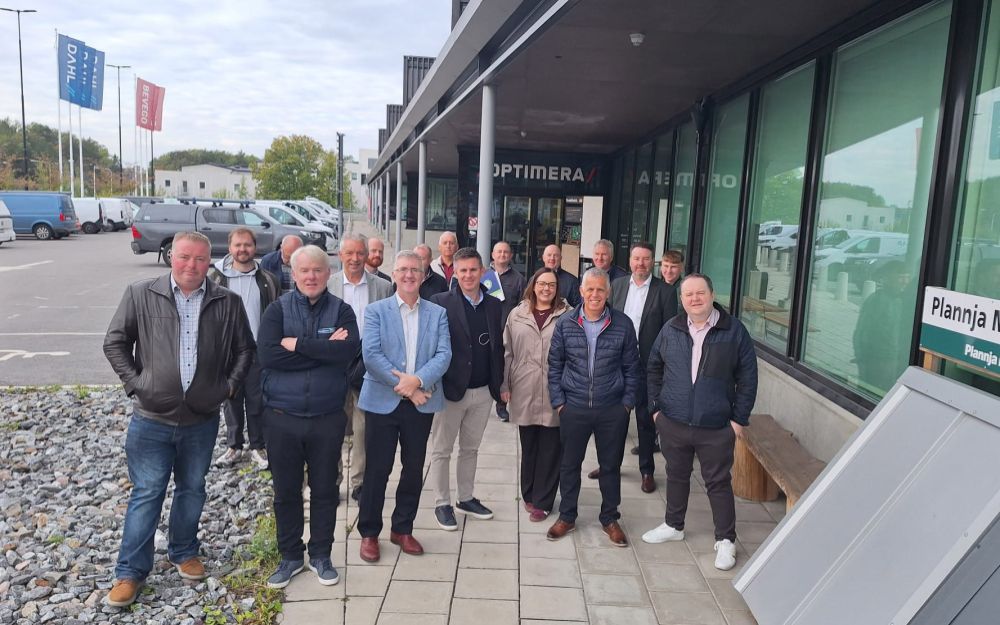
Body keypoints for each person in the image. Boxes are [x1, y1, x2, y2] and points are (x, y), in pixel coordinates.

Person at [103, 231, 255, 607]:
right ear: (172, 256)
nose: (192, 265)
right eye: (185, 257)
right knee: (147, 492)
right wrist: (137, 384)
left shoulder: (227, 301)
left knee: (192, 488)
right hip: (151, 418)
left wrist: (227, 389)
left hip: (201, 419)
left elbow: (244, 350)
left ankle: (184, 550)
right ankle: (129, 572)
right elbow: (115, 342)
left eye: (200, 259)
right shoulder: (141, 293)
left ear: (209, 261)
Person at [256, 245, 360, 588]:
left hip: (326, 417)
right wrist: (324, 349)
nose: (311, 276)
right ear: (294, 273)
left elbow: (347, 353)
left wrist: (297, 344)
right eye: (305, 271)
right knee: (286, 491)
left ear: (328, 273)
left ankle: (320, 554)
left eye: (318, 270)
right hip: (282, 416)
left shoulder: (342, 311)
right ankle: (290, 556)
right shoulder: (277, 310)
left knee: (325, 490)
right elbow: (269, 356)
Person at [641, 273, 757, 572]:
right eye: (688, 294)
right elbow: (653, 368)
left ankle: (726, 539)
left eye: (700, 293)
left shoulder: (733, 331)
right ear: (681, 299)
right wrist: (656, 409)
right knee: (676, 474)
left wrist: (738, 420)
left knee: (717, 482)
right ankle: (673, 525)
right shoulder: (671, 328)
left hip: (716, 425)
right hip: (674, 420)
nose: (695, 298)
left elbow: (748, 378)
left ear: (712, 294)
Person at [356, 251, 452, 563]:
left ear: (424, 276)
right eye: (403, 270)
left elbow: (443, 355)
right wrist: (410, 389)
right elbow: (372, 355)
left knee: (413, 469)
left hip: (420, 406)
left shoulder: (437, 314)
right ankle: (369, 532)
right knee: (377, 469)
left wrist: (419, 381)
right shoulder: (376, 311)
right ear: (394, 275)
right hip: (383, 403)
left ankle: (402, 528)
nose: (409, 275)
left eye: (415, 270)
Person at [545, 267, 643, 547]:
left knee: (610, 466)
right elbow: (555, 365)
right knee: (569, 465)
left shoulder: (623, 324)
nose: (595, 294)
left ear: (608, 292)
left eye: (601, 289)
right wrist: (559, 402)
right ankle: (567, 516)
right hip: (573, 407)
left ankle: (610, 518)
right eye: (590, 289)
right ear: (581, 291)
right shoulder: (566, 323)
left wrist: (626, 405)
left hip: (612, 409)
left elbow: (632, 368)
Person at [428, 248, 504, 530]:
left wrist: (500, 385)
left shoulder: (494, 305)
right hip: (451, 391)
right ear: (455, 273)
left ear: (483, 271)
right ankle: (442, 503)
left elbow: (497, 348)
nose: (469, 275)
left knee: (470, 448)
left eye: (473, 270)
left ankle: (466, 498)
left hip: (483, 392)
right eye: (463, 270)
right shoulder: (440, 302)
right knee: (442, 450)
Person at [591, 242, 677, 492]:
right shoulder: (617, 286)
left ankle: (646, 470)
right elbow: (605, 321)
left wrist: (664, 368)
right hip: (616, 365)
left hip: (647, 367)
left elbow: (669, 333)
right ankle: (609, 466)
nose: (641, 263)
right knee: (613, 420)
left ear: (653, 262)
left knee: (645, 421)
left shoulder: (665, 292)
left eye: (646, 259)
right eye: (636, 258)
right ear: (629, 261)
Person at [327, 234, 393, 502]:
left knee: (364, 429)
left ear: (366, 255)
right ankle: (332, 481)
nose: (355, 259)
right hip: (334, 367)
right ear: (340, 255)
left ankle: (359, 483)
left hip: (367, 367)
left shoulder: (383, 288)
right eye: (349, 253)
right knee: (333, 427)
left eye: (359, 253)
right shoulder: (328, 284)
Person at [208, 227, 280, 470]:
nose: (242, 249)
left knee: (257, 400)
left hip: (258, 350)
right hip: (228, 352)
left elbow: (275, 314)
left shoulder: (267, 280)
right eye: (238, 245)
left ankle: (258, 446)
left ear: (255, 247)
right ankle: (234, 446)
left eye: (247, 245)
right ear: (230, 248)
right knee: (231, 398)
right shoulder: (216, 279)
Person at [501, 268, 570, 522]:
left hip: (555, 389)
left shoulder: (568, 315)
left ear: (557, 289)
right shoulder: (517, 314)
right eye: (542, 283)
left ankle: (544, 501)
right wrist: (505, 385)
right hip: (524, 386)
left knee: (551, 448)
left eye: (551, 285)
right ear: (533, 285)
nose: (546, 289)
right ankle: (528, 493)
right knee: (529, 444)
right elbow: (507, 352)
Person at [852, 260, 913, 395]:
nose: (905, 281)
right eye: (901, 277)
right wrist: (861, 359)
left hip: (897, 359)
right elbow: (861, 333)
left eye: (907, 277)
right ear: (888, 278)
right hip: (879, 361)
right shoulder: (877, 300)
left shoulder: (905, 301)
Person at [490, 240, 527, 422]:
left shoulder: (519, 279)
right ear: (493, 255)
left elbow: (523, 305)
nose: (502, 255)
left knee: (503, 368)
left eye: (506, 252)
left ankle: (501, 404)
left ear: (511, 256)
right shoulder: (484, 275)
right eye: (499, 252)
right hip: (486, 330)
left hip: (507, 331)